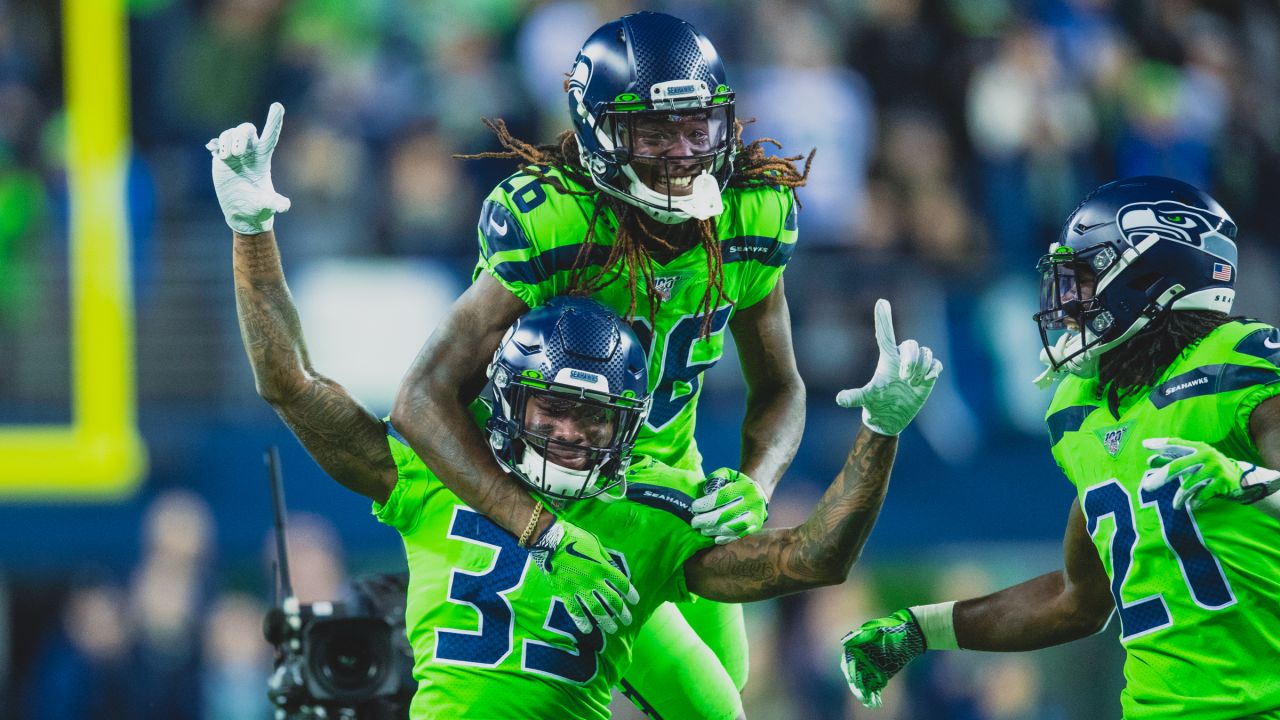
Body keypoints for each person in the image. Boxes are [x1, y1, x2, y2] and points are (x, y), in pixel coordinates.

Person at [206, 105, 943, 718]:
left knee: (726, 699)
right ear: (501, 396)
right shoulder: (437, 473)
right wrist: (251, 233)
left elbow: (814, 557)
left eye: (594, 418)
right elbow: (295, 385)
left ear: (631, 429)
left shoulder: (647, 508)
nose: (566, 431)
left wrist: (878, 433)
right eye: (549, 406)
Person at [389, 11, 816, 717]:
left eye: (696, 126)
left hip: (665, 484)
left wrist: (756, 481)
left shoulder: (754, 212)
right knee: (711, 708)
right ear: (601, 132)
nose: (683, 152)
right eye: (653, 130)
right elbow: (421, 398)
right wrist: (536, 526)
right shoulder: (556, 222)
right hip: (557, 481)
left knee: (731, 676)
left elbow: (782, 387)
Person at [840, 176, 1280, 719]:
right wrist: (918, 629)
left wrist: (1248, 483)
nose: (1069, 300)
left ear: (1152, 275)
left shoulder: (1238, 363)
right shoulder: (1082, 409)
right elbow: (1076, 599)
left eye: (1087, 277)